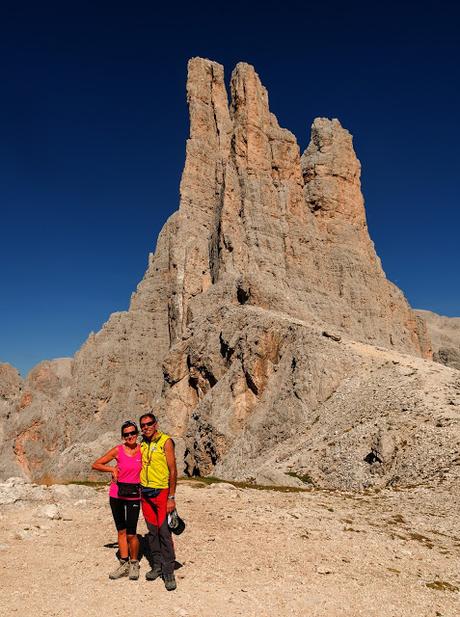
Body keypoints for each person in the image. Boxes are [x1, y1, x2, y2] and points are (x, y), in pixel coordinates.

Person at [92, 420, 142, 580]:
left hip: (134, 494)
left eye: (133, 433)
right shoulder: (117, 450)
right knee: (121, 530)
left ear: (137, 434)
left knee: (132, 532)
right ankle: (124, 563)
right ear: (122, 437)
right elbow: (96, 464)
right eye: (126, 434)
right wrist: (112, 468)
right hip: (116, 495)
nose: (130, 436)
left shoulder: (143, 450)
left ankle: (134, 563)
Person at [139, 412, 178, 591]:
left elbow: (172, 470)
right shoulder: (142, 445)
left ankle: (168, 570)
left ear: (156, 424)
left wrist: (171, 496)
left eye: (149, 424)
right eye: (143, 425)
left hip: (161, 492)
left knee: (164, 531)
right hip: (145, 493)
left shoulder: (165, 441)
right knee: (152, 531)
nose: (146, 427)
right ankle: (157, 565)